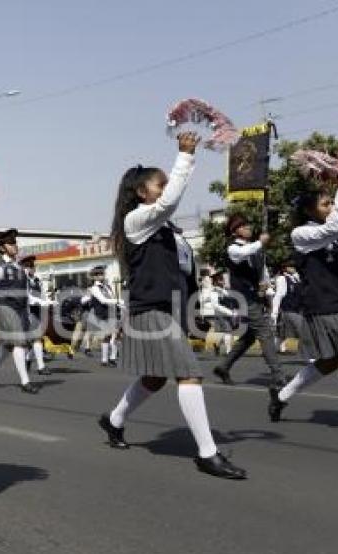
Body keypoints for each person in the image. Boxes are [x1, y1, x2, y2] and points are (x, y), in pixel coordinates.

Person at [98, 132, 246, 480]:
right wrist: (185, 156)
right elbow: (169, 203)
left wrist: (193, 308)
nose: (165, 188)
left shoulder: (165, 228)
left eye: (167, 183)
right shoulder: (136, 221)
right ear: (141, 193)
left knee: (153, 378)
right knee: (189, 374)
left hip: (172, 307)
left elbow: (183, 269)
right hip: (151, 310)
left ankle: (114, 419)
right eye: (159, 184)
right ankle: (207, 454)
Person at [268, 183, 338, 421]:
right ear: (309, 211)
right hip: (325, 304)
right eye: (326, 204)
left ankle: (281, 397)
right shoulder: (301, 234)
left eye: (332, 202)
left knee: (329, 363)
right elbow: (335, 225)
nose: (332, 207)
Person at [213, 215, 283, 386]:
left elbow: (262, 270)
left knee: (250, 336)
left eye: (248, 224)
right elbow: (245, 253)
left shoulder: (255, 249)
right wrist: (261, 242)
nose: (248, 227)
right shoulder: (233, 248)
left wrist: (265, 286)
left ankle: (224, 366)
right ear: (236, 230)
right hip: (242, 296)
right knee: (264, 331)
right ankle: (277, 373)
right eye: (244, 226)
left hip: (255, 295)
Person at [0, 228, 40, 394]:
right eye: (10, 243)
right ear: (2, 248)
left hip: (21, 310)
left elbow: (26, 292)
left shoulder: (19, 266)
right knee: (18, 343)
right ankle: (25, 381)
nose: (15, 245)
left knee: (8, 347)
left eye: (15, 242)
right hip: (5, 308)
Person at [21, 255, 52, 375]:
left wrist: (49, 300)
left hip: (38, 311)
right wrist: (41, 301)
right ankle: (40, 367)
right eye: (29, 266)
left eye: (33, 266)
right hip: (28, 311)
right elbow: (27, 296)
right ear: (24, 268)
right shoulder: (23, 280)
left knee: (36, 338)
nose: (32, 268)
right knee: (36, 339)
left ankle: (28, 359)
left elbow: (43, 294)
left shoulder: (37, 280)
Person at [272, 261, 305, 355]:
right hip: (288, 308)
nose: (293, 268)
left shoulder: (296, 278)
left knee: (282, 331)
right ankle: (275, 349)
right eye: (291, 266)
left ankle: (277, 349)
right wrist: (274, 312)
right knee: (298, 330)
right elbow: (279, 295)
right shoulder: (282, 279)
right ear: (285, 268)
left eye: (294, 266)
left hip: (297, 308)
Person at [201, 270, 236, 356]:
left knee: (224, 330)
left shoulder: (216, 289)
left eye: (223, 279)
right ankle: (228, 351)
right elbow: (216, 306)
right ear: (216, 281)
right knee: (227, 329)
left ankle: (217, 344)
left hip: (213, 312)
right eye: (221, 279)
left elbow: (226, 295)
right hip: (212, 312)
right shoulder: (213, 290)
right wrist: (231, 313)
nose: (223, 281)